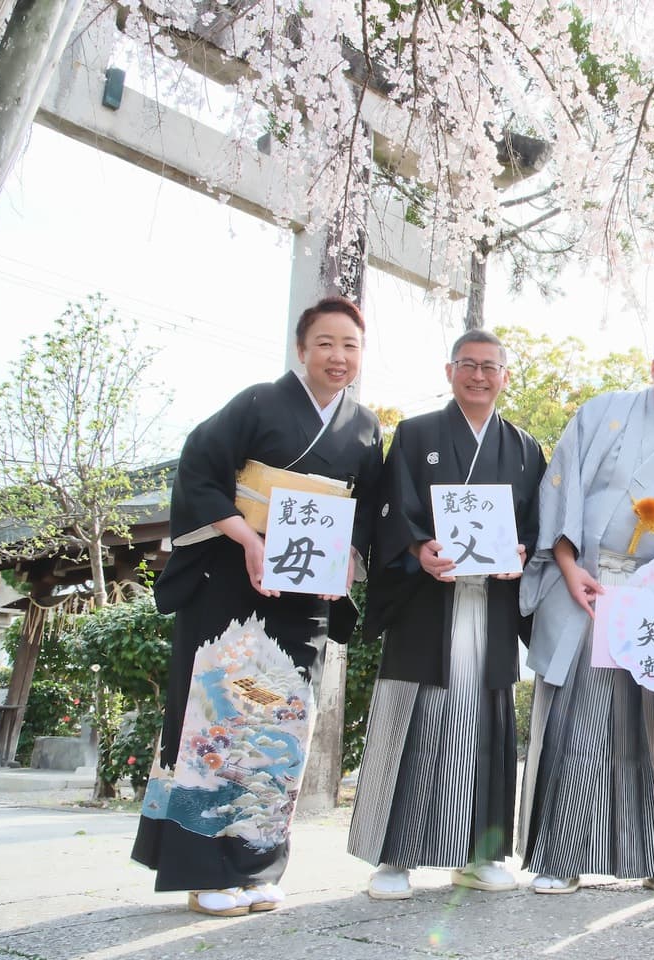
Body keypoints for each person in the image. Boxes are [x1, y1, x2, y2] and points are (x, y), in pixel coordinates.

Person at [132, 296, 384, 917]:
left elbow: (366, 507)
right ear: (302, 349)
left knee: (281, 724)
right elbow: (199, 470)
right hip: (231, 583)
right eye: (325, 343)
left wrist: (347, 558)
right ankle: (203, 869)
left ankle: (260, 865)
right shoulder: (256, 403)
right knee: (217, 716)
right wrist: (247, 538)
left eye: (350, 346)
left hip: (304, 594)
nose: (337, 356)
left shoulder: (365, 427)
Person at [516, 326, 654, 895]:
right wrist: (566, 564)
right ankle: (560, 858)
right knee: (575, 718)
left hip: (651, 597)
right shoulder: (602, 412)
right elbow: (560, 489)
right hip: (585, 581)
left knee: (651, 723)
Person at [347, 330, 546, 899]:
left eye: (490, 367)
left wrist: (522, 554)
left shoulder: (526, 449)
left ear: (505, 376)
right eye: (468, 365)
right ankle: (393, 857)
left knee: (483, 729)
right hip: (426, 605)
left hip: (491, 610)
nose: (479, 376)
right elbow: (391, 509)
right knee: (411, 723)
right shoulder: (415, 435)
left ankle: (481, 855)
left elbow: (535, 524)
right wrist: (416, 549)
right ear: (449, 370)